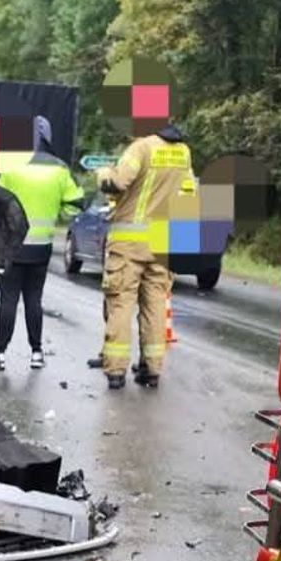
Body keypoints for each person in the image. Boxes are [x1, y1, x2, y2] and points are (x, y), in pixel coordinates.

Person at [95, 123, 194, 389]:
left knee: (121, 303)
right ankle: (152, 370)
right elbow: (188, 195)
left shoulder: (141, 148)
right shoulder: (183, 152)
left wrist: (102, 173)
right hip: (164, 241)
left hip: (130, 242)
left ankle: (116, 370)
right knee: (155, 306)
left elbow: (117, 182)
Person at [0, 117, 85, 369]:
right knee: (34, 299)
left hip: (12, 247)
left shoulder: (9, 167)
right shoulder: (60, 169)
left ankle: (0, 353)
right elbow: (75, 204)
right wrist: (59, 213)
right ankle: (36, 352)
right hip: (41, 249)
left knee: (8, 300)